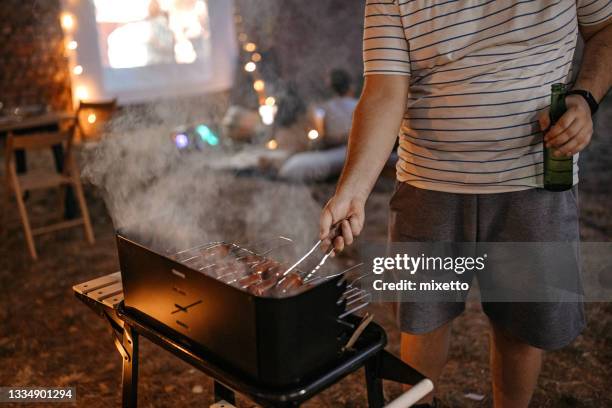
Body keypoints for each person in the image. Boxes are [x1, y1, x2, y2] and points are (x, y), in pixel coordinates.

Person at [319, 1, 612, 407]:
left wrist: (585, 97)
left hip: (533, 182)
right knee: (422, 324)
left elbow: (606, 28)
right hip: (427, 183)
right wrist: (351, 191)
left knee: (520, 331)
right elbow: (384, 88)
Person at [278, 69, 358, 181]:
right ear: (350, 86)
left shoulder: (325, 108)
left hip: (343, 149)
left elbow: (322, 134)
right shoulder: (358, 105)